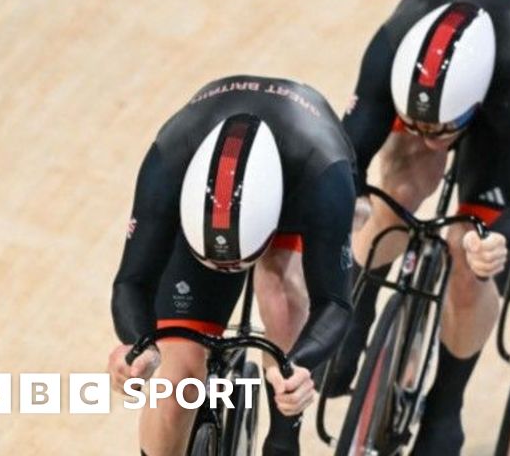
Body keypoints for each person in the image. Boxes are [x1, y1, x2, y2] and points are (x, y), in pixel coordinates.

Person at [323, 0, 510, 454]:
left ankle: (445, 405)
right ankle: (361, 297)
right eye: (421, 125)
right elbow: (346, 156)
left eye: (444, 130)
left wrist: (495, 243)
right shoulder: (396, 38)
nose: (432, 139)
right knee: (395, 190)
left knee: (468, 251)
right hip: (434, 56)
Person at [107, 76, 357, 456]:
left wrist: (300, 369)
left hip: (294, 191)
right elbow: (131, 281)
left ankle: (284, 430)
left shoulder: (325, 175)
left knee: (282, 295)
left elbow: (334, 302)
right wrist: (140, 347)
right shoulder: (169, 161)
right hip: (207, 209)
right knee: (178, 381)